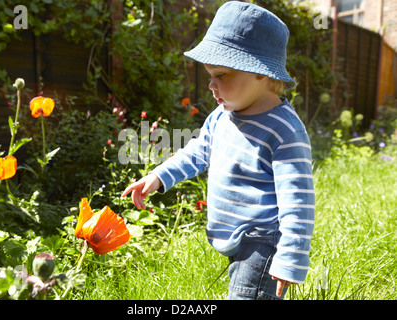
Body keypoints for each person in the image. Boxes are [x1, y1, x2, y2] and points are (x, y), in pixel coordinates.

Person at [121, 1, 315, 300]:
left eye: (221, 75)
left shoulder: (284, 130)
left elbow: (298, 202)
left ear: (259, 72)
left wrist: (291, 258)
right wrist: (159, 176)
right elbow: (198, 152)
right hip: (234, 238)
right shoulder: (222, 116)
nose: (211, 85)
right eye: (210, 75)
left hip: (262, 242)